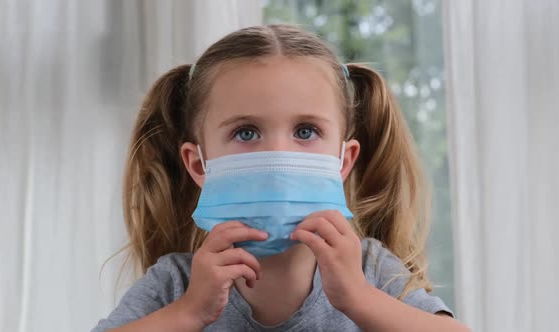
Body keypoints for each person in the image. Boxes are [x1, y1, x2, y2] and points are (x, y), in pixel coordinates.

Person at [92, 24, 469, 331]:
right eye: (246, 132)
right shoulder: (178, 283)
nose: (278, 160)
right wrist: (189, 312)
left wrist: (358, 298)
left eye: (305, 132)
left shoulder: (370, 271)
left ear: (343, 160)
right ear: (199, 164)